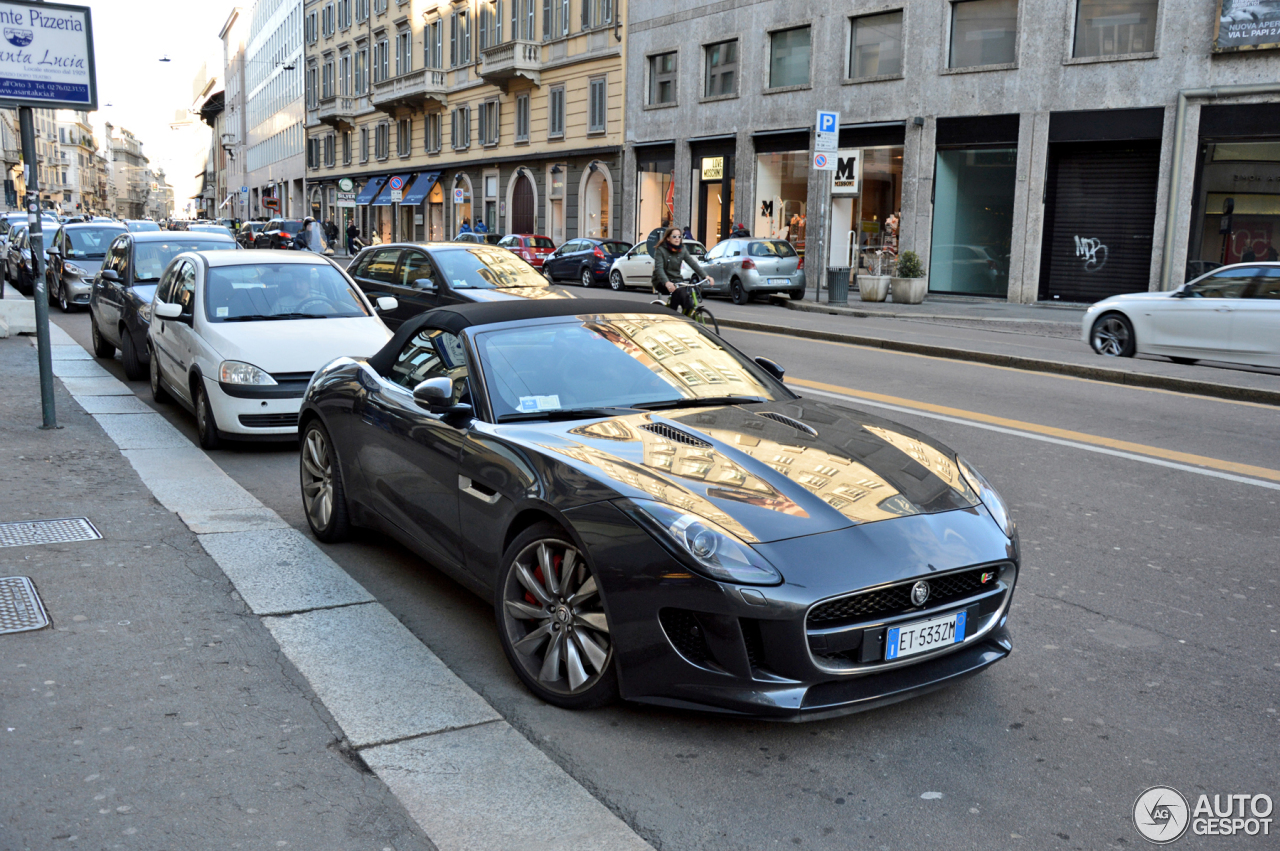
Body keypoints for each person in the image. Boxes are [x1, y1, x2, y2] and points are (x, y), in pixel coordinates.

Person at [652, 227, 710, 315]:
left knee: (687, 299)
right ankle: (672, 315)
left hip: (676, 280)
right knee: (678, 292)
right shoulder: (661, 250)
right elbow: (659, 269)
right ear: (668, 238)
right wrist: (667, 282)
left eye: (679, 236)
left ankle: (685, 319)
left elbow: (692, 263)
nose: (677, 239)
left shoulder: (682, 249)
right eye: (674, 236)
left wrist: (705, 276)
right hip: (661, 281)